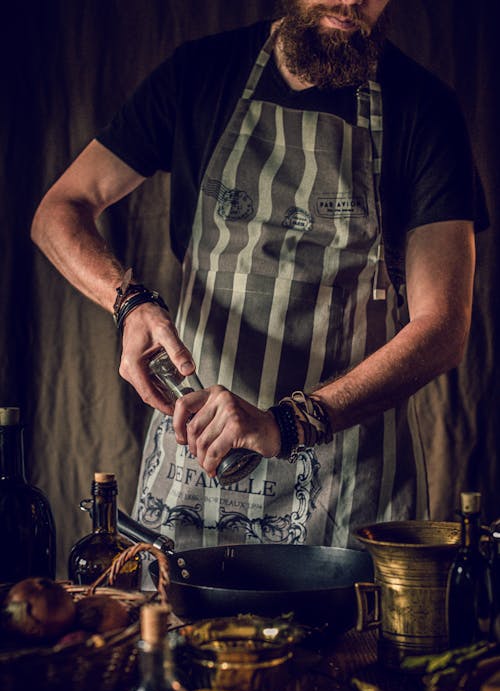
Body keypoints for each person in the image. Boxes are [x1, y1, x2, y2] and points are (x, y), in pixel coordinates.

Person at [31, 0, 486, 552]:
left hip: (346, 481)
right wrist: (128, 302)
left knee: (350, 639)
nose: (352, 2)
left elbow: (442, 328)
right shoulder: (200, 72)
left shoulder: (424, 107)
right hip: (197, 459)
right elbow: (60, 210)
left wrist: (292, 422)